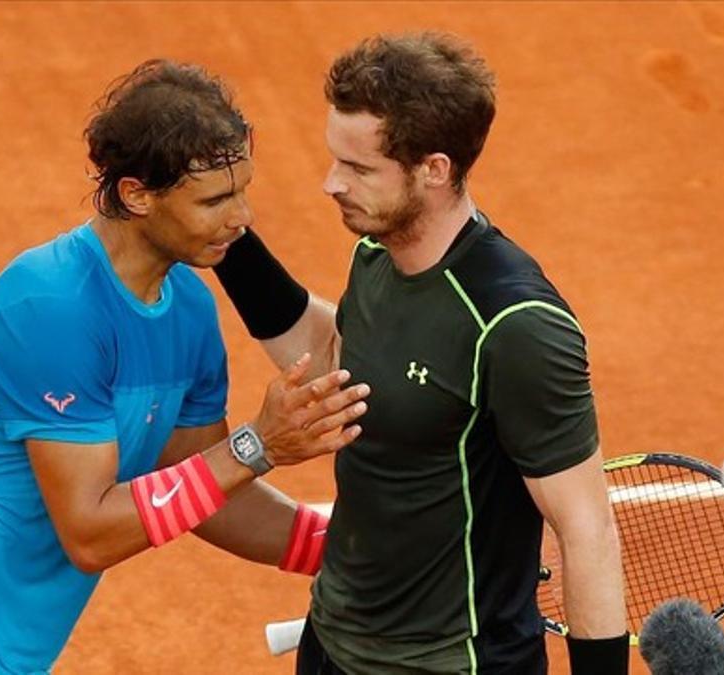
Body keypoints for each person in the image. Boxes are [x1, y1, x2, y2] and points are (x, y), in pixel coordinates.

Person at [0, 59, 369, 675]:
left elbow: (207, 489)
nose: (241, 218)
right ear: (136, 195)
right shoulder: (50, 308)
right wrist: (258, 443)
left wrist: (344, 552)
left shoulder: (187, 308)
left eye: (241, 191)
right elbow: (90, 532)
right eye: (213, 199)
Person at [213, 33, 627, 674]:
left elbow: (586, 526)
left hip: (450, 663)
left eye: (358, 168)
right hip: (334, 641)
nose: (331, 183)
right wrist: (227, 240)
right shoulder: (377, 255)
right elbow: (335, 361)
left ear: (434, 169)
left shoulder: (514, 324)